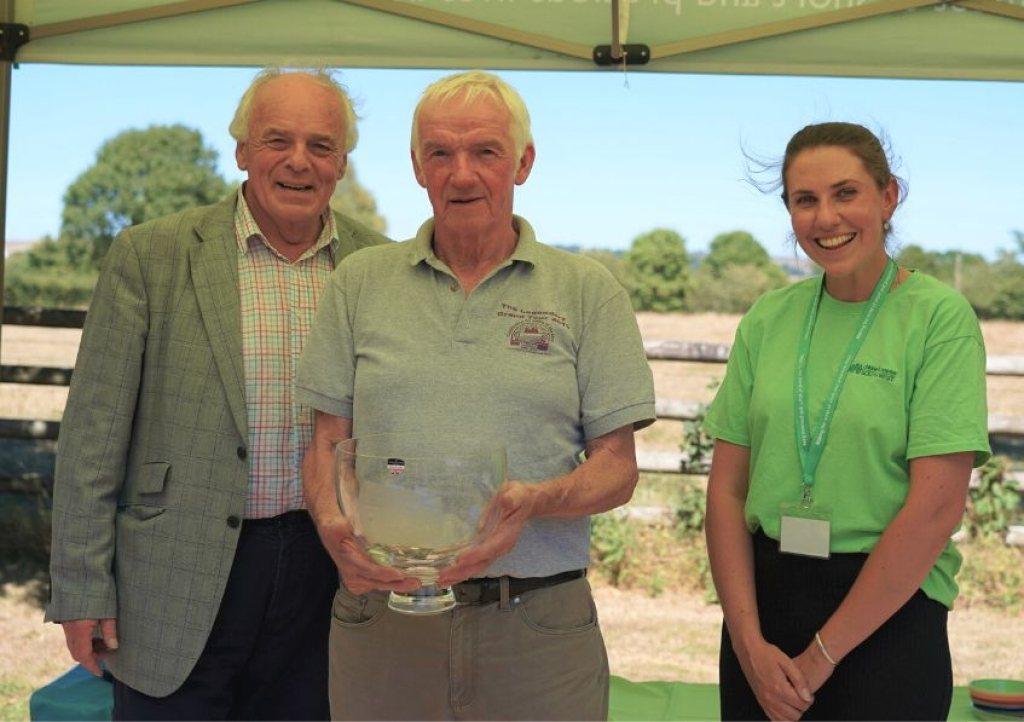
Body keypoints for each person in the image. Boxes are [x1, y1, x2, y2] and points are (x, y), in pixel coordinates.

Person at [297, 70, 656, 721]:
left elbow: (618, 468)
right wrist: (332, 529)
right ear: (417, 167)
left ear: (523, 162)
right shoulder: (358, 283)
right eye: (440, 153)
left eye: (485, 151)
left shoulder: (586, 289)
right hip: (387, 618)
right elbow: (326, 443)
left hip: (537, 628)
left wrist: (535, 500)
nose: (462, 174)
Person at [45, 67, 388, 720]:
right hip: (175, 576)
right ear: (241, 151)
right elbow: (94, 435)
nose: (298, 161)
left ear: (342, 163)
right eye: (276, 140)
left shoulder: (377, 265)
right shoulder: (152, 256)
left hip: (326, 572)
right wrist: (83, 587)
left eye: (320, 145)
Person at [703, 122, 991, 721]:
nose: (826, 217)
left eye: (845, 193)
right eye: (805, 200)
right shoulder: (767, 319)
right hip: (766, 619)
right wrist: (749, 644)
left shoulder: (938, 319)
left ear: (889, 197)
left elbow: (935, 508)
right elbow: (727, 491)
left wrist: (820, 658)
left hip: (887, 619)